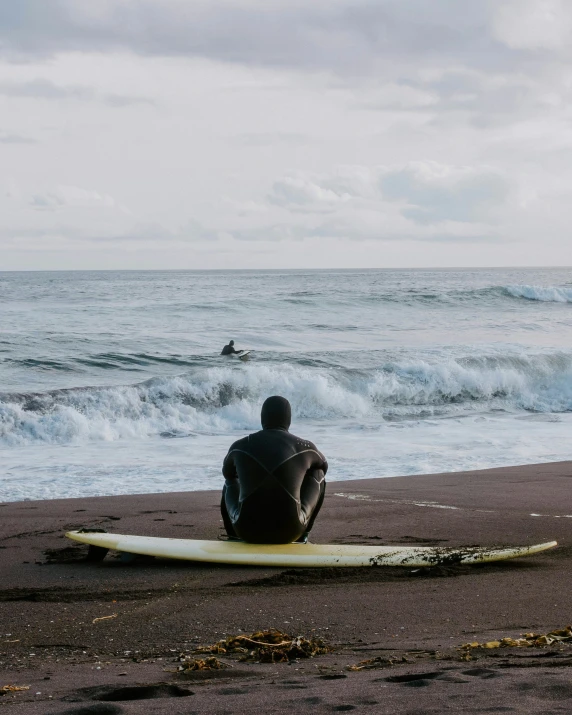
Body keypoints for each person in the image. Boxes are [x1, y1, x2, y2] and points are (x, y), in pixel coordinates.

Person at [221, 395, 328, 544]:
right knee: (318, 473)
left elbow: (227, 473)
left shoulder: (240, 445)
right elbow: (324, 465)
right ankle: (304, 535)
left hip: (246, 530)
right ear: (288, 419)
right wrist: (296, 472)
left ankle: (233, 535)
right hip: (290, 532)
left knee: (230, 480)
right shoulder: (303, 446)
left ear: (262, 417)